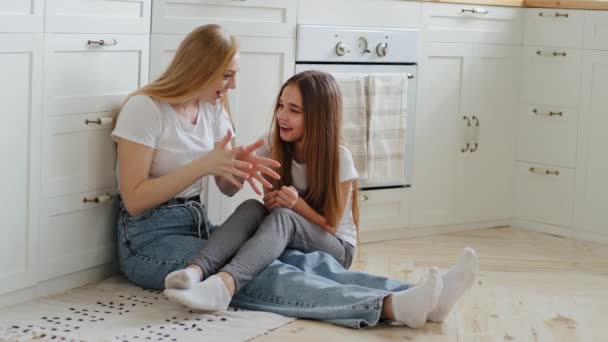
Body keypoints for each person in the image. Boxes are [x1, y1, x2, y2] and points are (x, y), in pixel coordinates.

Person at [113, 23, 479, 330]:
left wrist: (235, 168)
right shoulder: (145, 108)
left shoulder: (213, 109)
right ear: (199, 69)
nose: (233, 85)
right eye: (226, 75)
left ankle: (417, 294)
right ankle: (388, 307)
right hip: (147, 236)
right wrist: (206, 164)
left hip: (198, 226)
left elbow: (225, 187)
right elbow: (134, 198)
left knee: (303, 262)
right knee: (265, 271)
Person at [163, 71, 362, 312]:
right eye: (281, 106)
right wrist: (237, 165)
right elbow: (233, 190)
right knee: (252, 207)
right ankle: (194, 271)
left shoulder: (340, 157)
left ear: (318, 118)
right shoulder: (271, 144)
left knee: (284, 217)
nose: (282, 116)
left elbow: (330, 225)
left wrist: (295, 205)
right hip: (293, 229)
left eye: (294, 111)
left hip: (338, 246)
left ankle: (224, 285)